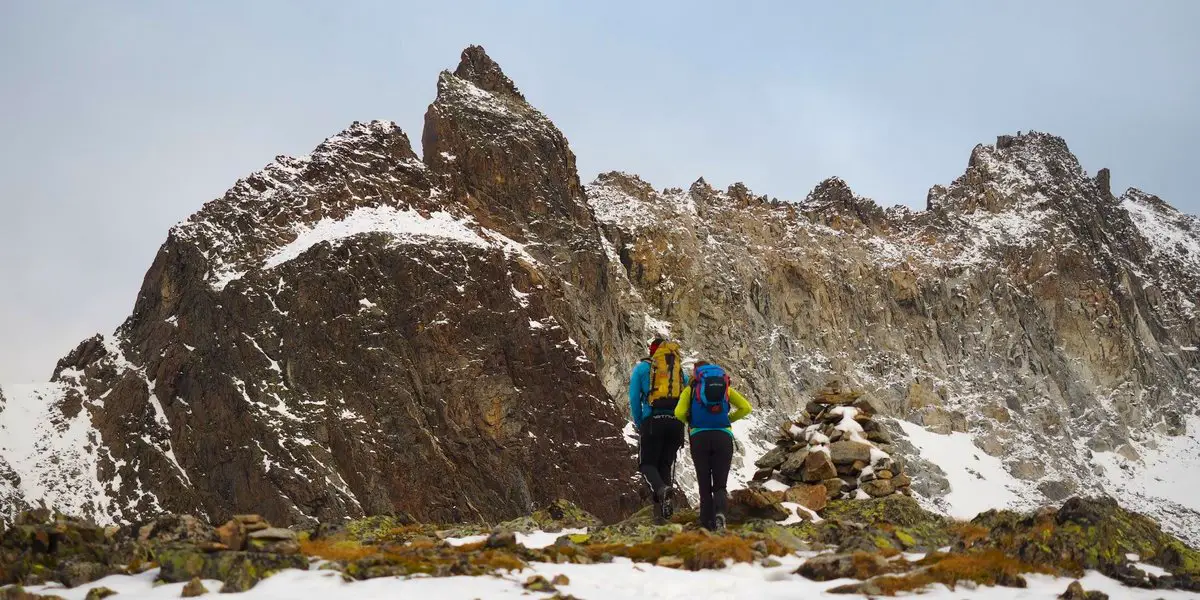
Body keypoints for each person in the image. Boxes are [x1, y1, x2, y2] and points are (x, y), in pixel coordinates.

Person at [675, 360, 752, 531]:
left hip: (699, 438)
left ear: (697, 373)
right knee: (720, 484)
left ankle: (706, 524)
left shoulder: (691, 390)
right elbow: (746, 408)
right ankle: (721, 517)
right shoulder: (725, 389)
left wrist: (690, 421)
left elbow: (678, 412)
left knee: (704, 483)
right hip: (723, 437)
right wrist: (728, 420)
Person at [628, 337, 688, 523]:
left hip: (653, 421)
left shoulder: (642, 369)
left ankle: (662, 492)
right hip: (676, 423)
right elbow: (686, 398)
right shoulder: (680, 373)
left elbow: (634, 399)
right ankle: (665, 511)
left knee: (647, 465)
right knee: (664, 465)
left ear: (652, 351)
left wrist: (640, 423)